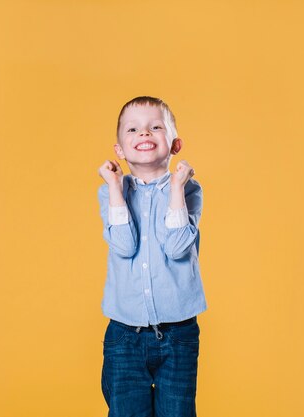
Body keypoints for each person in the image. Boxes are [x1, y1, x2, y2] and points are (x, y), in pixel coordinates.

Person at [97, 96, 208, 416]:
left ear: (175, 144)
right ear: (119, 149)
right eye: (133, 129)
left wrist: (176, 187)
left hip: (178, 333)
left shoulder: (189, 190)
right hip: (124, 335)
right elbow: (123, 245)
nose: (144, 134)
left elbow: (177, 247)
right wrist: (116, 188)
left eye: (155, 127)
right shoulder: (110, 191)